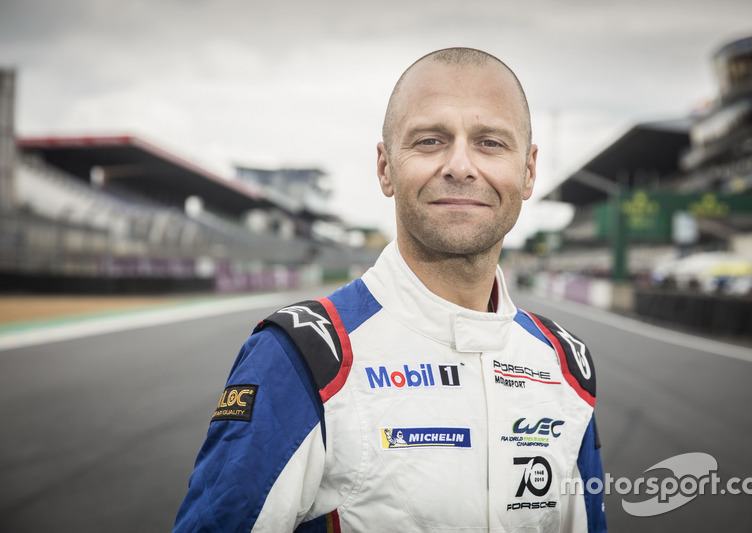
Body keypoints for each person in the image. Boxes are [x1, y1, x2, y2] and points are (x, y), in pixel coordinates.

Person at [174, 47, 606, 533]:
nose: (460, 166)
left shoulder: (565, 367)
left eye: (489, 142)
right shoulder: (303, 358)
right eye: (429, 140)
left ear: (528, 171)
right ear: (385, 167)